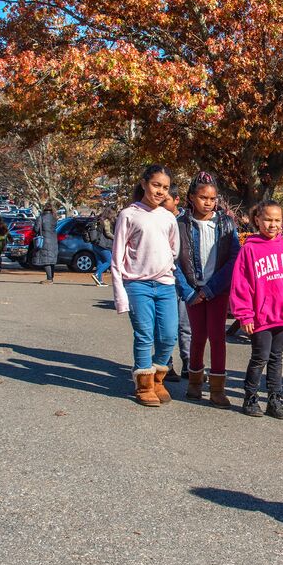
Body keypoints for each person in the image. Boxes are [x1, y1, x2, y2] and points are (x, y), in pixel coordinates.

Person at [111, 164, 180, 407]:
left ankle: (158, 378)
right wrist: (120, 296)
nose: (160, 191)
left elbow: (174, 250)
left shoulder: (169, 217)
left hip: (165, 285)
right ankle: (144, 385)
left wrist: (166, 270)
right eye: (156, 185)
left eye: (165, 187)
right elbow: (117, 258)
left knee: (169, 335)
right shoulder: (129, 215)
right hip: (138, 285)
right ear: (143, 183)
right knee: (144, 335)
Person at [229, 201, 283, 419]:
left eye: (277, 220)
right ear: (257, 220)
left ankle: (274, 399)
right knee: (260, 357)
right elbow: (241, 285)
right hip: (261, 317)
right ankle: (250, 397)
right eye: (268, 219)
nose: (272, 224)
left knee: (276, 358)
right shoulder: (249, 249)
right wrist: (245, 314)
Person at [175, 171, 240, 408]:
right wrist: (189, 292)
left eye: (212, 198)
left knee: (217, 338)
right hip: (193, 291)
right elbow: (173, 261)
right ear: (192, 197)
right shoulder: (180, 224)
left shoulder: (225, 223)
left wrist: (212, 289)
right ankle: (194, 384)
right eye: (203, 197)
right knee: (197, 337)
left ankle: (217, 389)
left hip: (217, 290)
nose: (208, 202)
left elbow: (234, 257)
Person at [160, 185, 190, 382]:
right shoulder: (158, 219)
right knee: (166, 326)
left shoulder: (187, 221)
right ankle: (166, 364)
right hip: (167, 278)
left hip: (186, 280)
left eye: (166, 200)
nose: (162, 204)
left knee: (185, 326)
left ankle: (189, 363)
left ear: (177, 200)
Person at [87, 206, 115, 287]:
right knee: (109, 261)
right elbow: (108, 233)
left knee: (100, 262)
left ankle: (99, 281)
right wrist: (116, 237)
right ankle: (97, 274)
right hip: (103, 245)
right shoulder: (106, 220)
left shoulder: (98, 219)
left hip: (95, 244)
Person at [31, 203, 59, 283]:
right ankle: (51, 278)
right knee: (51, 260)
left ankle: (49, 279)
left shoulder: (41, 217)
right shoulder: (54, 218)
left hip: (45, 240)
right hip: (53, 240)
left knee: (46, 260)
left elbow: (36, 229)